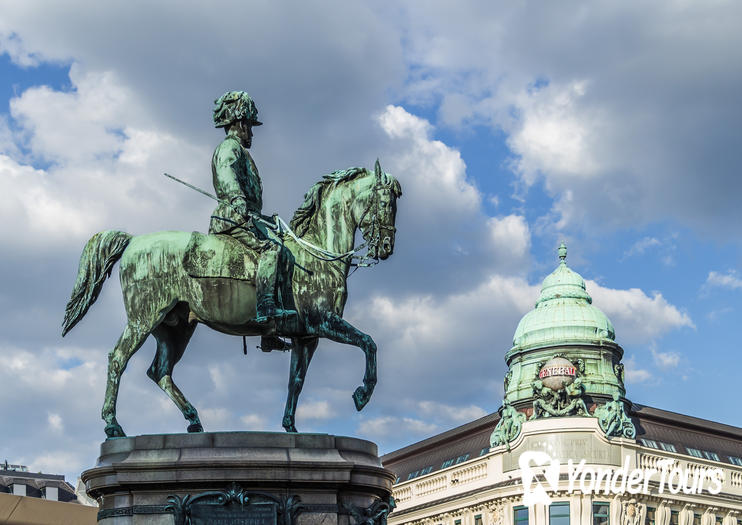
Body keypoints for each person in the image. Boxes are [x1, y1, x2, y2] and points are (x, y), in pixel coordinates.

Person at [209, 91, 297, 332]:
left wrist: (265, 219)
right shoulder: (229, 148)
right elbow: (227, 174)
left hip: (244, 216)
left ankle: (271, 331)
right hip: (232, 218)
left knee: (283, 247)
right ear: (240, 123)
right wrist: (237, 198)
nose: (252, 131)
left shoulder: (238, 149)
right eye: (249, 125)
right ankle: (266, 306)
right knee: (272, 249)